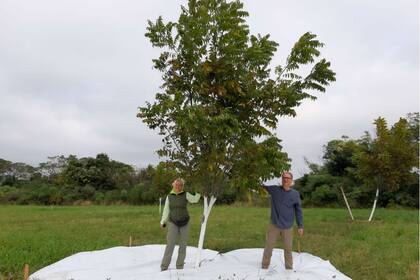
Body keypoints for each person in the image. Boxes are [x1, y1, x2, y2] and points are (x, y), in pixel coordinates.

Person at [261, 171, 304, 270]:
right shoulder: (275, 190)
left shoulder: (295, 194)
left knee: (288, 249)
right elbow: (262, 187)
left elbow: (298, 211)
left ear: (291, 181)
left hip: (288, 226)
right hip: (274, 225)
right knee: (269, 247)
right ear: (282, 179)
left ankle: (289, 268)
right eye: (284, 177)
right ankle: (264, 267)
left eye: (288, 178)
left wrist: (300, 226)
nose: (285, 179)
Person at [160, 178, 201, 271]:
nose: (178, 187)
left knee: (183, 245)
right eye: (176, 185)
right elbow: (166, 210)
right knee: (170, 244)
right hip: (173, 222)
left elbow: (195, 200)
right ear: (173, 185)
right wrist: (163, 222)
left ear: (182, 186)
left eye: (180, 185)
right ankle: (164, 266)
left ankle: (179, 266)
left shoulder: (185, 194)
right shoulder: (169, 196)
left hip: (185, 222)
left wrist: (199, 191)